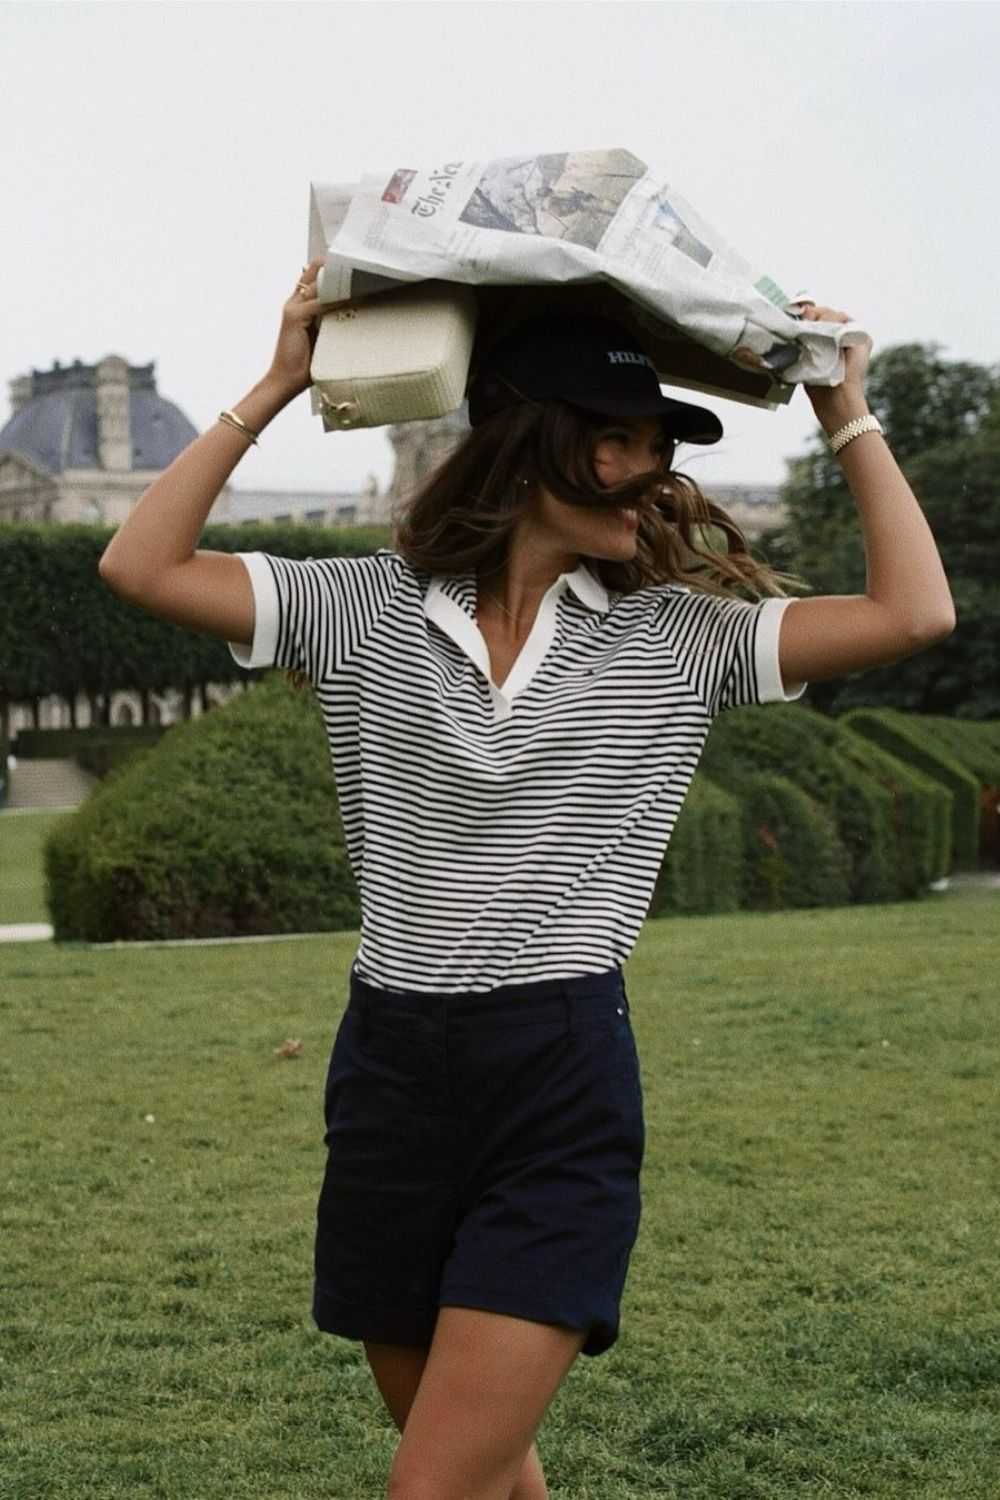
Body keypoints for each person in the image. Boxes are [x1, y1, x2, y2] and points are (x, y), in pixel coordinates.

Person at [98, 262, 955, 1500]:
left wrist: (848, 416)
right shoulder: (363, 608)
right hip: (391, 1074)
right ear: (526, 449)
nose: (650, 468)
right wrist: (284, 380)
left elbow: (913, 612)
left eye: (655, 444)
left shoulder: (680, 637)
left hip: (558, 1071)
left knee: (430, 1486)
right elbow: (138, 565)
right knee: (486, 1473)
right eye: (616, 441)